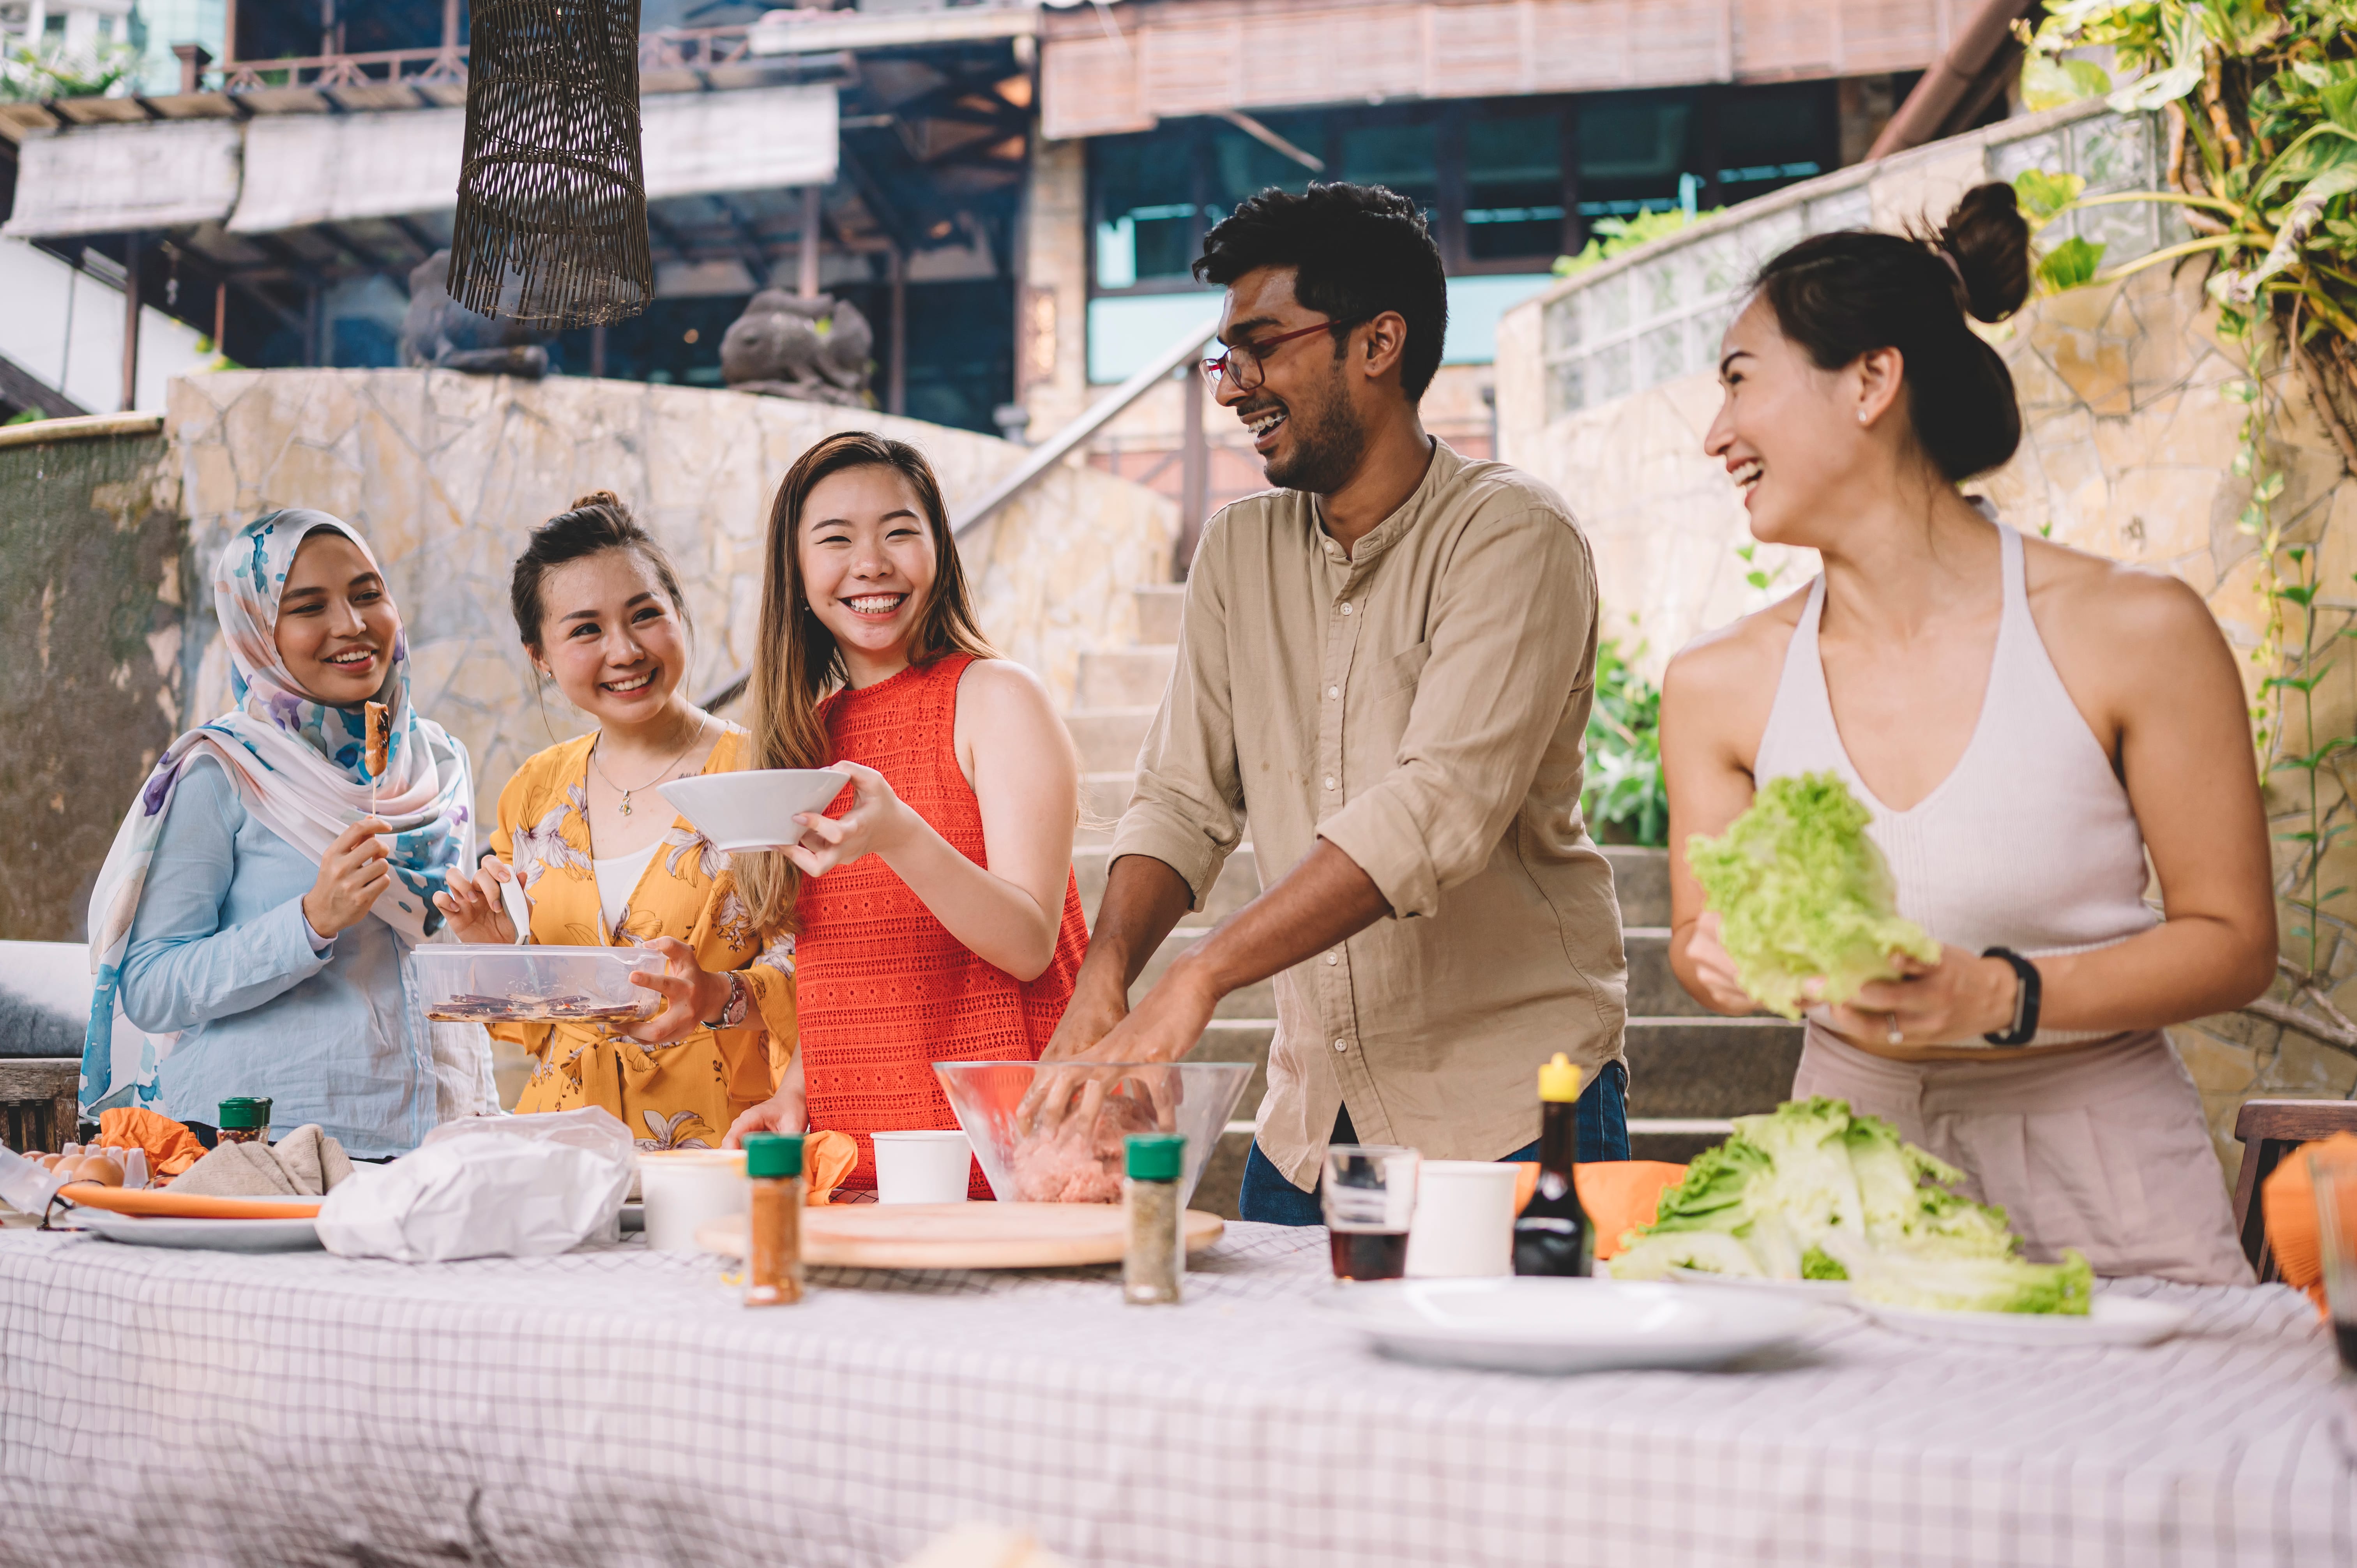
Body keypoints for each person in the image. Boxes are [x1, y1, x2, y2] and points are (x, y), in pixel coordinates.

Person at [1661, 184, 2275, 1285]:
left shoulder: (2136, 630)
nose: (1716, 436)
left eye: (1739, 381)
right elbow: (1702, 942)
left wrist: (2003, 995)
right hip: (1847, 1179)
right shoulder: (1718, 685)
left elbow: (2233, 939)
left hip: (2112, 1181)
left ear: (1871, 381)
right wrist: (1728, 960)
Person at [1037, 182, 1630, 1225]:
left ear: (1378, 343)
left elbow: (1434, 810)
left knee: (1508, 1392)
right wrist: (1110, 974)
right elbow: (1181, 800)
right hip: (1312, 1126)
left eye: (1262, 347)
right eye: (1227, 358)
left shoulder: (1513, 536)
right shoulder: (1238, 550)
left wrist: (1203, 976)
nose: (1234, 388)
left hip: (1515, 1110)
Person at [692, 432, 1090, 1197]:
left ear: (939, 546)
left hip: (1011, 1159)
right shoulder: (810, 734)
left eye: (899, 530)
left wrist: (902, 834)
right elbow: (841, 956)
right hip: (859, 1153)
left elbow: (1030, 943)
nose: (871, 562)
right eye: (836, 538)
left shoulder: (996, 696)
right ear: (796, 570)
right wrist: (798, 1093)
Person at [85, 510, 495, 1156]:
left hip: (442, 1145)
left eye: (368, 594)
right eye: (308, 607)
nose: (352, 625)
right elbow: (149, 986)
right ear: (256, 633)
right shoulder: (221, 772)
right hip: (270, 1152)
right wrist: (309, 922)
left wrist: (490, 949)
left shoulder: (438, 763)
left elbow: (446, 962)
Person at [434, 492, 795, 1151]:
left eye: (645, 615)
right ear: (540, 656)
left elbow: (833, 978)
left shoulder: (765, 775)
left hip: (722, 1144)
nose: (625, 651)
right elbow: (537, 1019)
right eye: (585, 630)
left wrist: (718, 994)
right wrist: (500, 950)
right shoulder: (534, 793)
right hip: (563, 1143)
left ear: (679, 615)